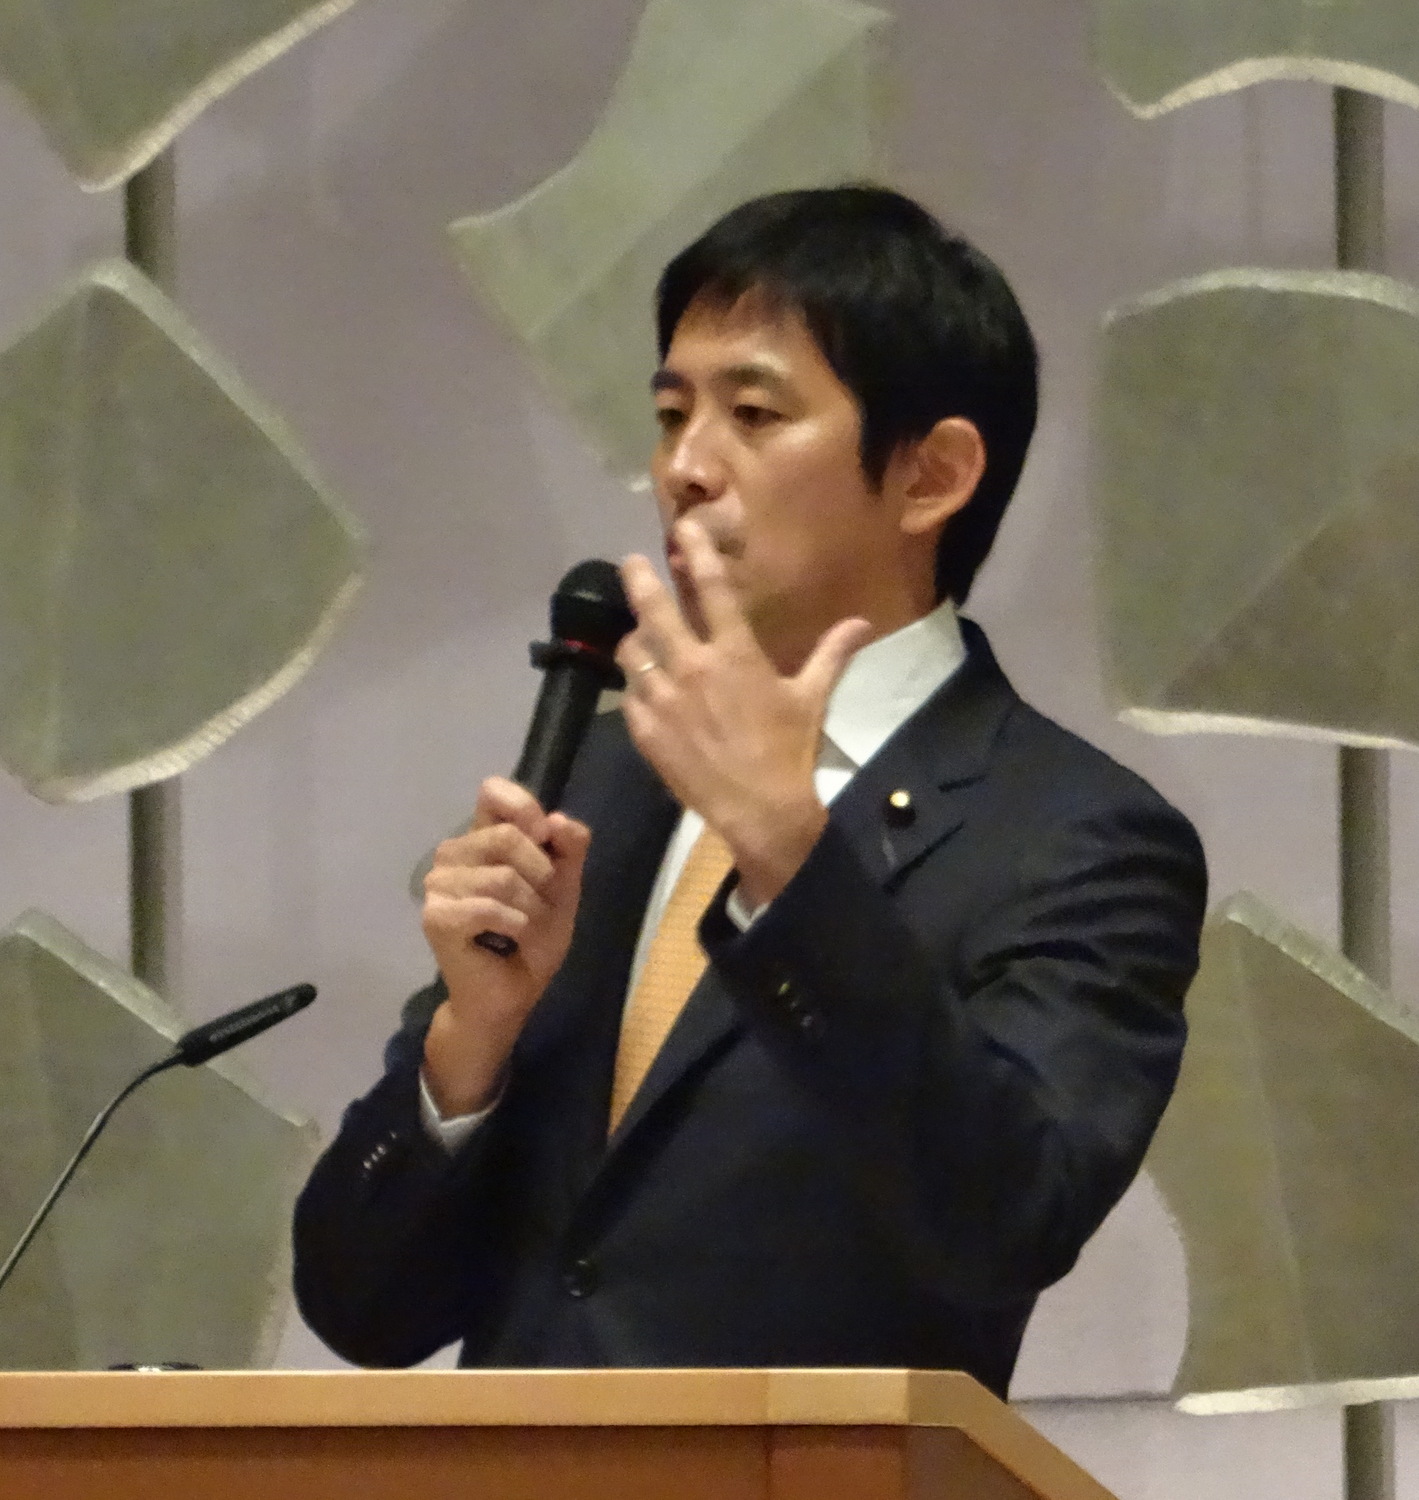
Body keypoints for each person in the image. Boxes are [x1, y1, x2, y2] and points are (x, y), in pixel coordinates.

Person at [292, 185, 1206, 1397]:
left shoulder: (1076, 838)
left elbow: (1007, 1218)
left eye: (754, 414)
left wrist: (790, 862)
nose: (684, 469)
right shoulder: (606, 779)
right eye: (672, 415)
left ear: (931, 475)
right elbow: (361, 1305)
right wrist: (472, 1042)